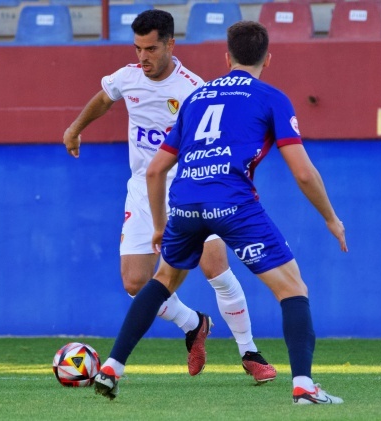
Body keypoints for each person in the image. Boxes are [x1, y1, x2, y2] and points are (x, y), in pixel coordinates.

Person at [93, 21, 348, 404]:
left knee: (162, 280)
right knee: (292, 288)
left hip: (185, 201)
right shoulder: (270, 97)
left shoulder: (197, 98)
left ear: (226, 57)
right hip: (232, 201)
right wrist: (330, 217)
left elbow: (157, 169)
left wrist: (162, 225)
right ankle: (304, 387)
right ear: (268, 58)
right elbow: (302, 172)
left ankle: (112, 367)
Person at [63, 10, 276, 381]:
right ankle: (193, 323)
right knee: (134, 283)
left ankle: (250, 352)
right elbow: (104, 97)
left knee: (215, 268)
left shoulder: (192, 89)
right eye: (137, 48)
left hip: (189, 190)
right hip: (144, 193)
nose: (142, 57)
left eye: (150, 49)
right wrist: (75, 128)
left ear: (170, 44)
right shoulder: (127, 78)